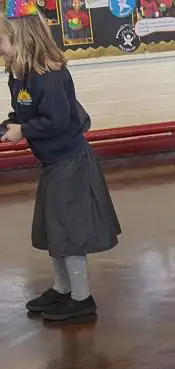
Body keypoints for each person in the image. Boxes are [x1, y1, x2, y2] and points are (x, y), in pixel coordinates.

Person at [0, 5, 120, 322]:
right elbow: (30, 111)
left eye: (1, 39)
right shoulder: (20, 72)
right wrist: (12, 123)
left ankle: (81, 298)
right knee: (54, 229)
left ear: (20, 37)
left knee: (68, 232)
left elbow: (58, 119)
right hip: (53, 163)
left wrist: (22, 131)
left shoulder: (47, 73)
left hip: (70, 163)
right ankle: (62, 288)